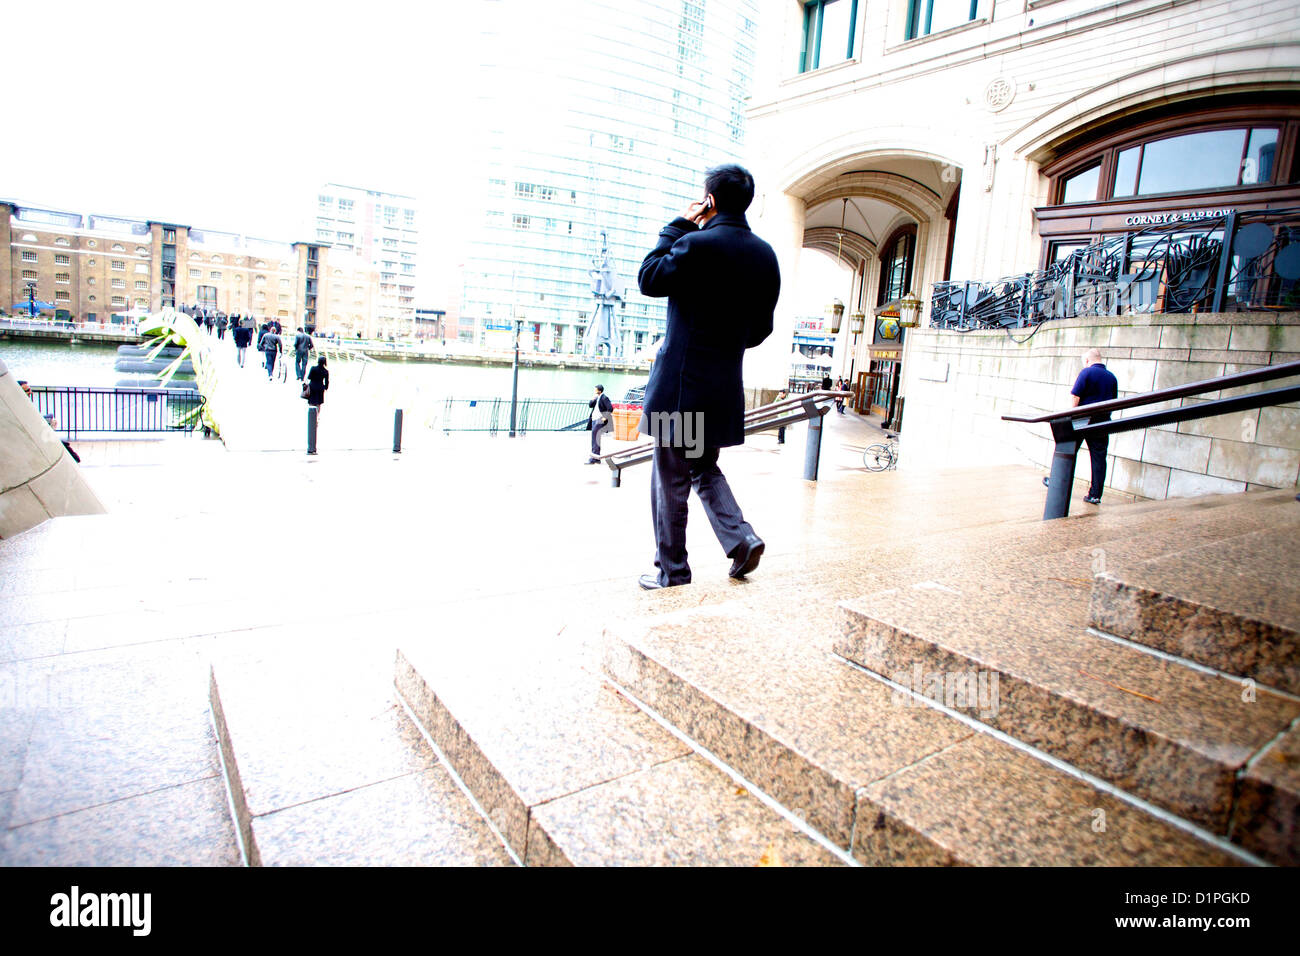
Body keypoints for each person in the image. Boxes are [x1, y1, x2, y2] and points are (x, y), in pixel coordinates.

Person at [635, 163, 779, 590]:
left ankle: (672, 572)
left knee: (669, 478)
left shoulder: (695, 244)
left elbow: (648, 278)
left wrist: (679, 223)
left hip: (678, 390)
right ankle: (740, 538)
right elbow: (761, 330)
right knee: (702, 467)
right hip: (719, 388)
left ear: (710, 200)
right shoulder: (764, 254)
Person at [1044, 347, 1119, 504]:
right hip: (1103, 421)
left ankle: (1057, 482)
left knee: (1067, 450)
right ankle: (1095, 494)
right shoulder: (1112, 377)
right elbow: (1114, 402)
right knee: (1099, 458)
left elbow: (1075, 395)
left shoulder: (1086, 372)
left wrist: (1072, 414)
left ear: (1087, 360)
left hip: (1082, 420)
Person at [586, 384, 613, 464]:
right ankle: (597, 458)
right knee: (595, 438)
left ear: (599, 391)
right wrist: (592, 399)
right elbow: (590, 406)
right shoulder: (597, 397)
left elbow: (610, 408)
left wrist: (605, 417)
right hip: (594, 419)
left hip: (599, 420)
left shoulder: (604, 398)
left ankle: (594, 458)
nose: (594, 391)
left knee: (595, 437)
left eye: (595, 389)